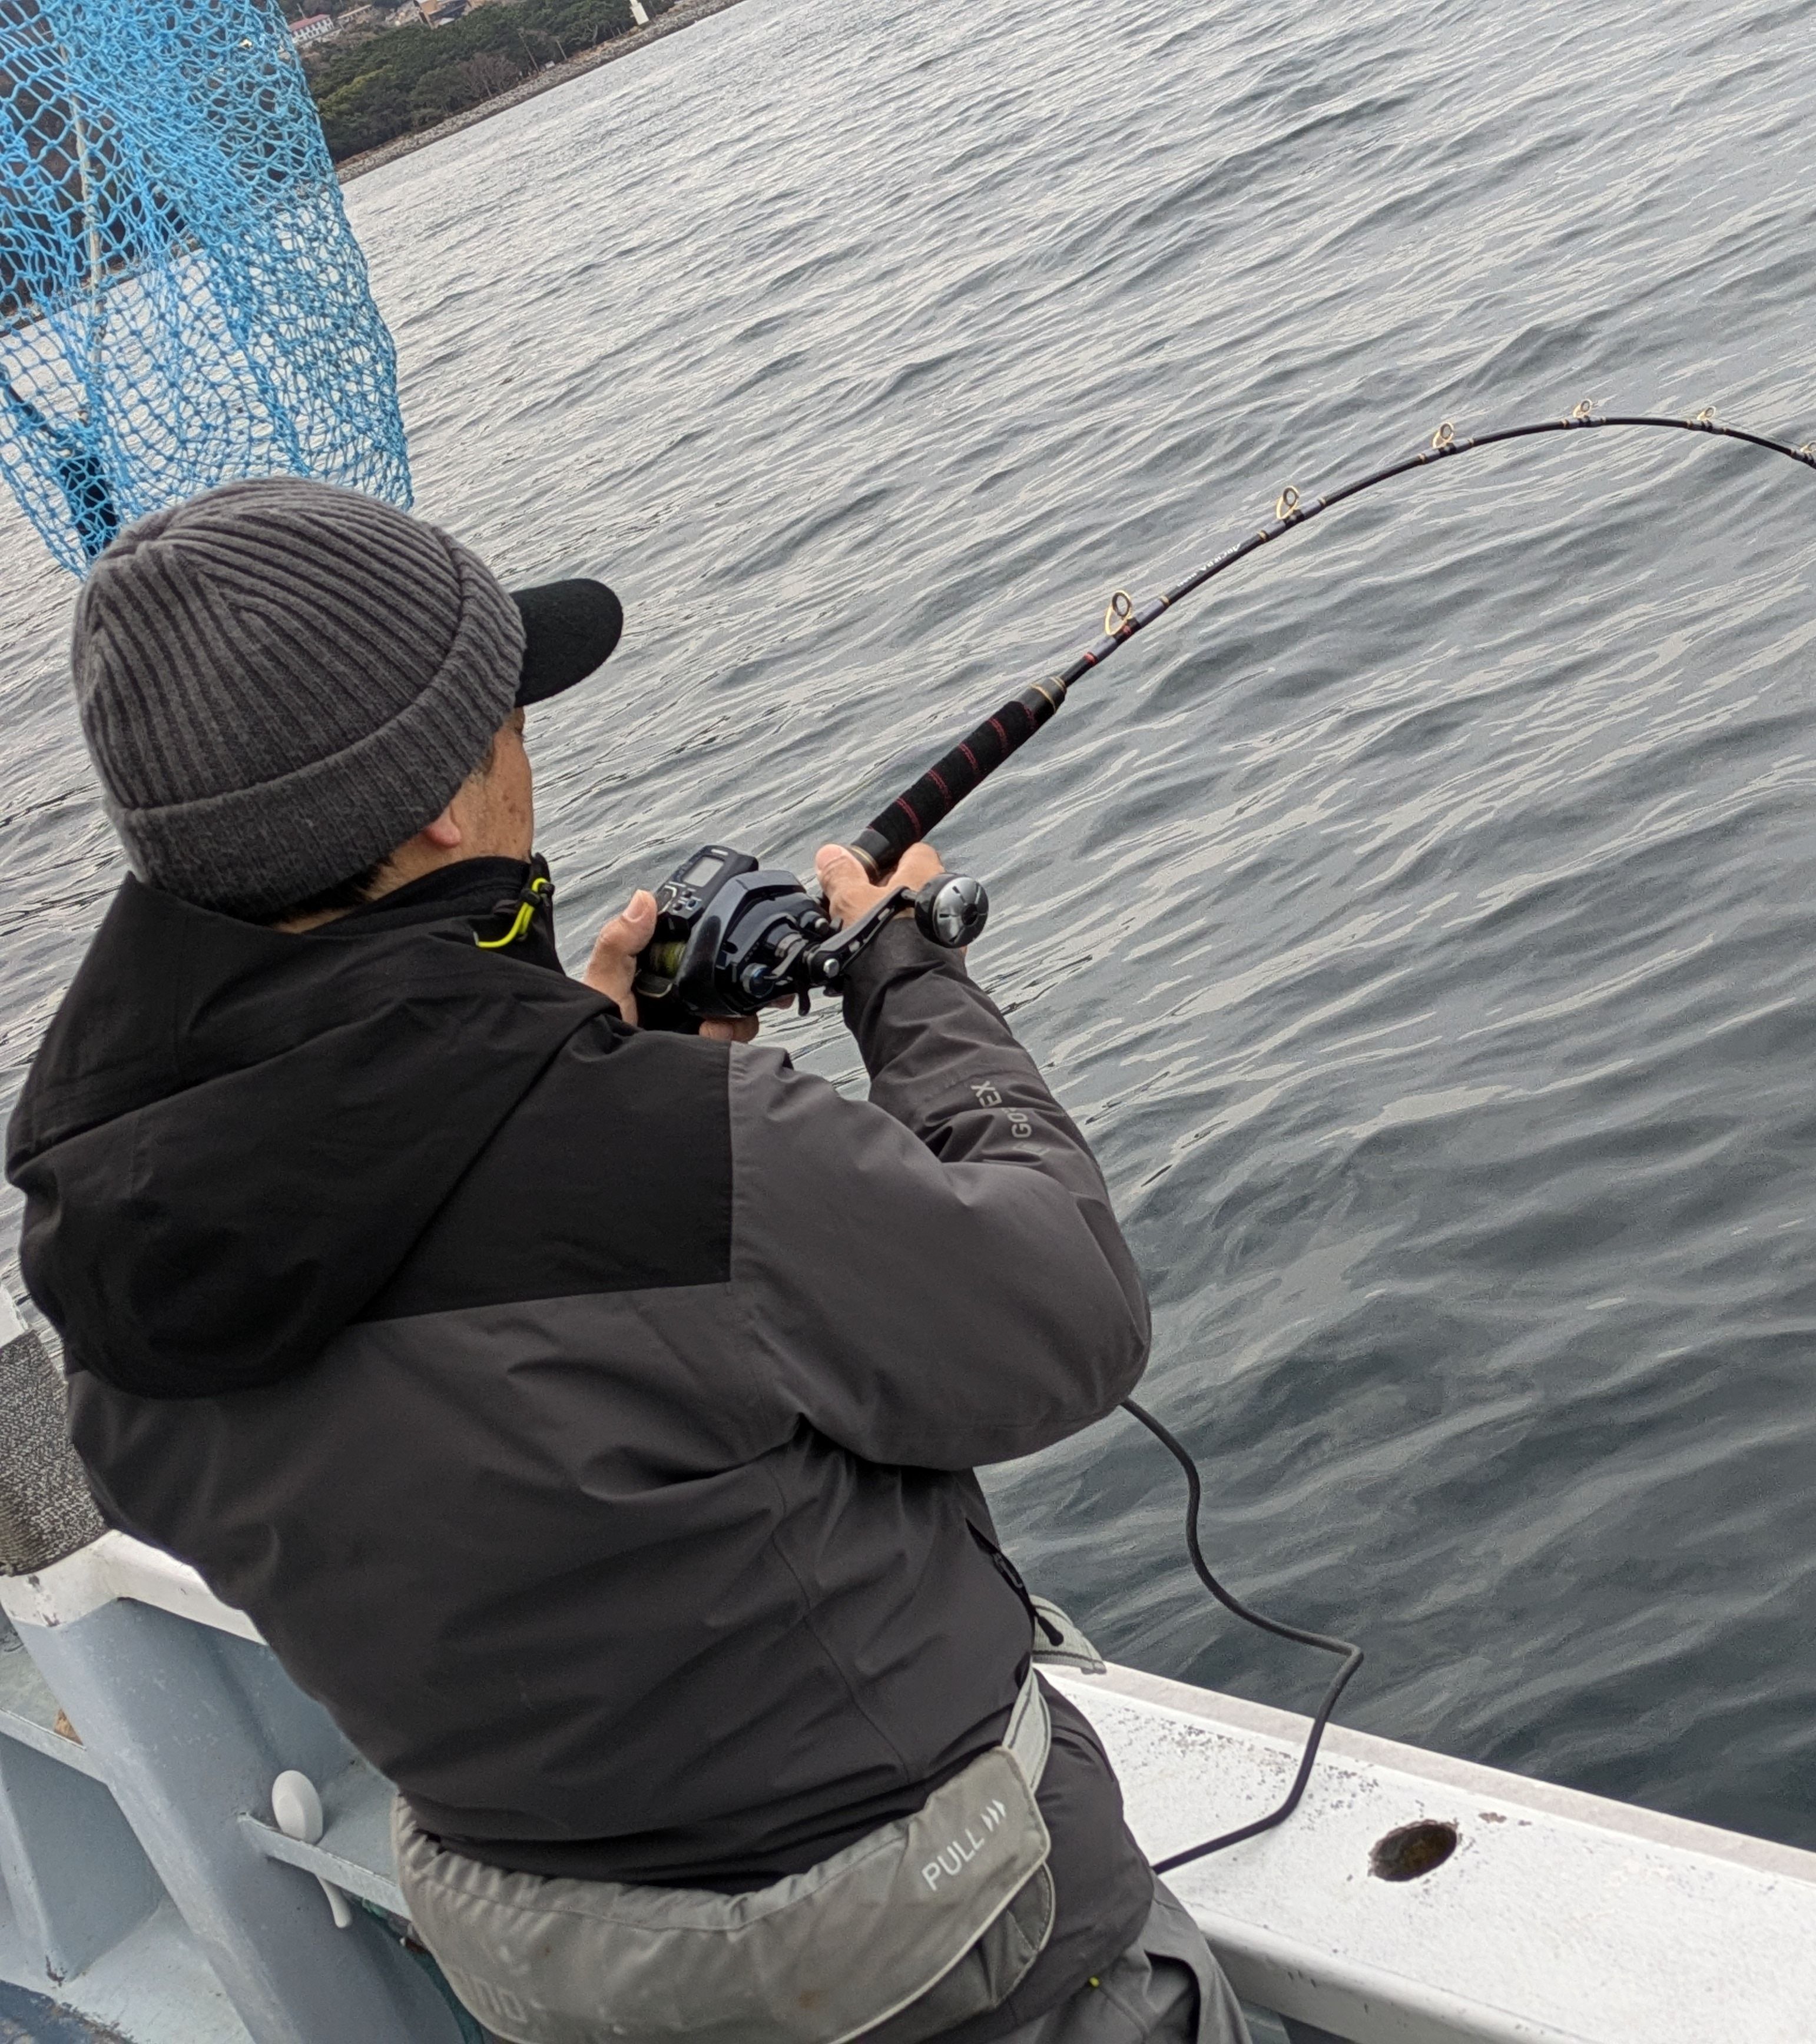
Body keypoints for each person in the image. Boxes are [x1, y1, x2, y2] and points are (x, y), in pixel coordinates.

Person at [4, 477, 1249, 2044]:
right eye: (509, 717)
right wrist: (909, 979)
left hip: (562, 1978)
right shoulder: (675, 1154)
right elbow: (1069, 1316)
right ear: (444, 810)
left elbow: (388, 1405)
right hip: (949, 1960)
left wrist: (547, 1070)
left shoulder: (105, 1221)